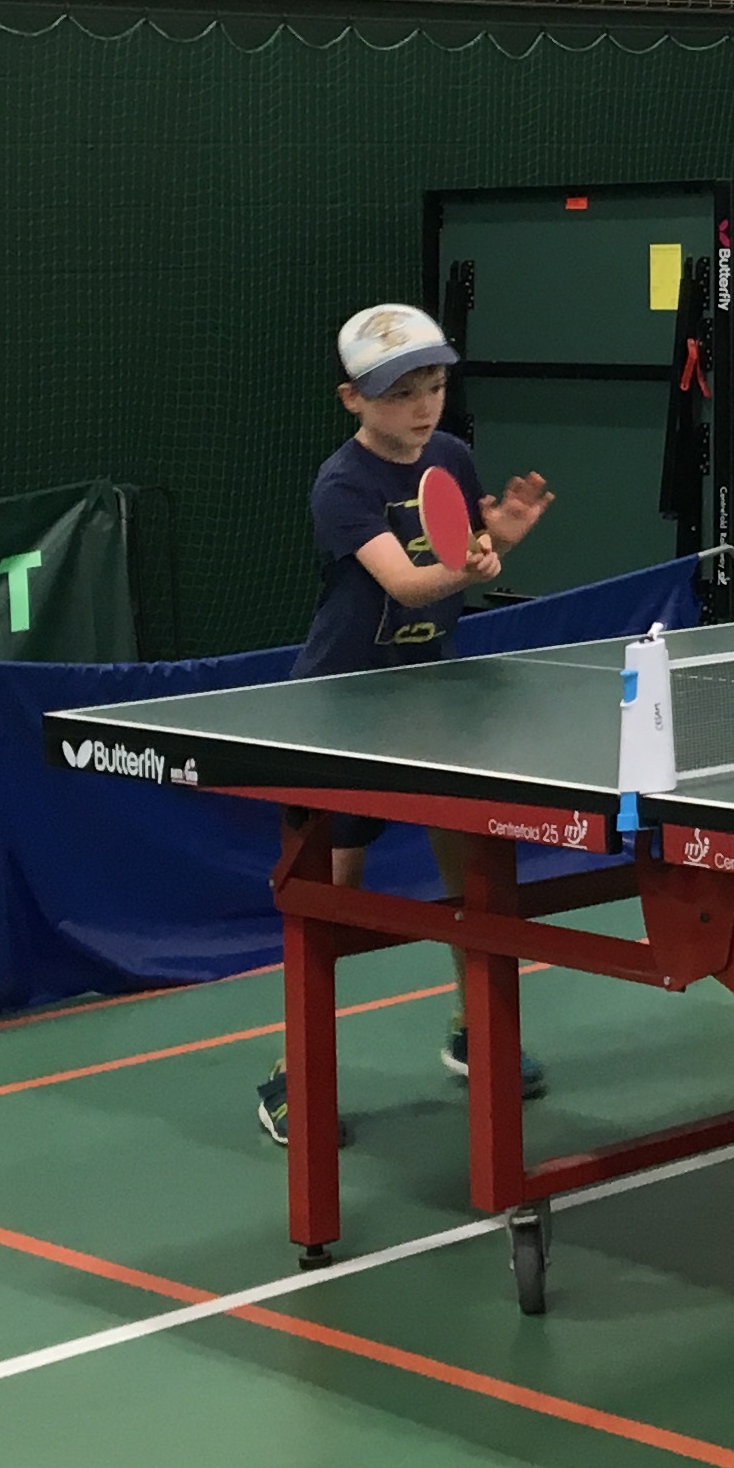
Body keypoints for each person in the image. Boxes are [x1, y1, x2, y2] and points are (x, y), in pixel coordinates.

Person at [255, 303, 556, 1149]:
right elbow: (409, 582)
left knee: (473, 873)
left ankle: (474, 1029)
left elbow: (464, 547)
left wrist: (500, 539)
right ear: (352, 399)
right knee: (332, 897)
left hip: (433, 698)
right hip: (344, 708)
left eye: (432, 386)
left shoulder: (450, 456)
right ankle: (293, 1074)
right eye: (399, 394)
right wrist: (470, 565)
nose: (423, 407)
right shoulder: (342, 486)